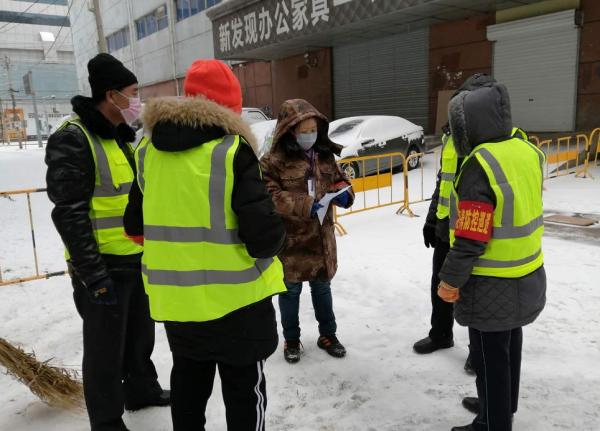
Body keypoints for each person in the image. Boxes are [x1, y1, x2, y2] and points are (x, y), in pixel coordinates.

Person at [123, 59, 287, 431]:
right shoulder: (232, 152)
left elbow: (134, 228)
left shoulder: (148, 152)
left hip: (178, 304)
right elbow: (263, 240)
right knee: (245, 389)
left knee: (188, 384)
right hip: (238, 304)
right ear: (231, 107)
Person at [45, 53, 169, 431]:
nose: (138, 100)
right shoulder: (72, 138)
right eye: (134, 93)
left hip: (135, 258)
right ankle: (106, 419)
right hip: (102, 266)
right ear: (112, 95)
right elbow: (69, 212)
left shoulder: (120, 138)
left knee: (139, 336)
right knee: (104, 348)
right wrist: (92, 273)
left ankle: (141, 390)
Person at [437, 81, 546, 431]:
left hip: (490, 282)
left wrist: (449, 280)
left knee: (488, 359)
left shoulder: (479, 166)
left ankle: (492, 422)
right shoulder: (525, 149)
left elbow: (470, 237)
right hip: (527, 271)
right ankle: (500, 406)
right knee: (510, 346)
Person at [260, 99, 355, 364]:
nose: (309, 135)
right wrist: (305, 205)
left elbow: (339, 179)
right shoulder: (273, 161)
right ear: (290, 131)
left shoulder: (324, 154)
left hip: (321, 240)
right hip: (291, 242)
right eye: (304, 131)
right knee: (290, 292)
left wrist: (344, 193)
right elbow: (270, 195)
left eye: (313, 129)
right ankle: (291, 339)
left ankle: (328, 335)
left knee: (322, 289)